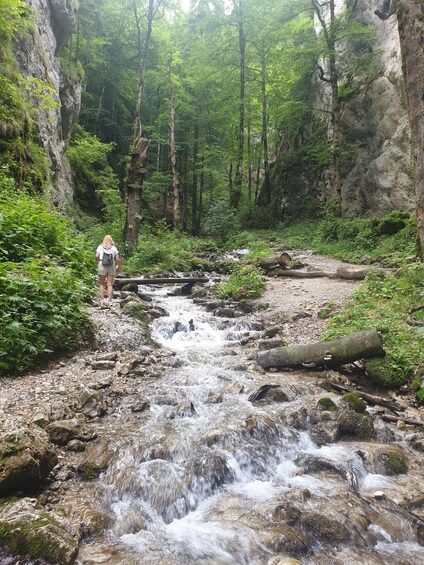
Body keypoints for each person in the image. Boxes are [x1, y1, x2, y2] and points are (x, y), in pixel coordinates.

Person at [95, 235, 122, 305]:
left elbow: (96, 256)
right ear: (111, 240)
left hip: (102, 264)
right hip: (111, 264)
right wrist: (119, 267)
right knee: (110, 284)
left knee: (102, 284)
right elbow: (118, 259)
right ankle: (109, 300)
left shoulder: (100, 247)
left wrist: (97, 262)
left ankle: (102, 300)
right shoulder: (114, 248)